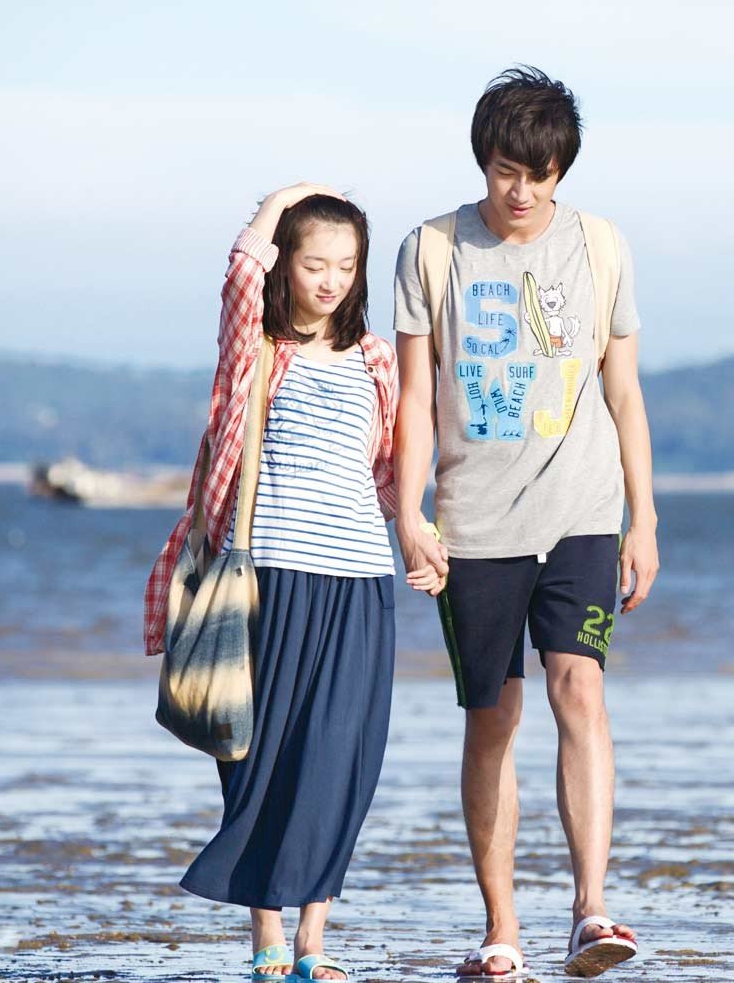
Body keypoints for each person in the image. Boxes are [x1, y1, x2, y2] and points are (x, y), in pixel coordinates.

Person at [392, 67, 660, 978]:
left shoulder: (602, 246)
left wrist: (643, 519)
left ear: (561, 173)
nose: (521, 192)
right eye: (507, 171)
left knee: (579, 690)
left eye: (539, 176)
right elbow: (416, 395)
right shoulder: (432, 249)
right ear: (485, 161)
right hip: (473, 525)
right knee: (493, 716)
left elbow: (624, 392)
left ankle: (590, 911)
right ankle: (501, 930)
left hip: (582, 510)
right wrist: (409, 512)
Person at [143, 184, 439, 981]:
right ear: (287, 265)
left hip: (359, 579)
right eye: (315, 264)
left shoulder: (376, 359)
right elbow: (241, 272)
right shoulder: (259, 350)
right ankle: (267, 937)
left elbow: (390, 471)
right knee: (261, 754)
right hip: (268, 576)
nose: (332, 280)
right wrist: (283, 198)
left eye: (347, 265)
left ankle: (315, 940)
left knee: (341, 758)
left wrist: (419, 533)